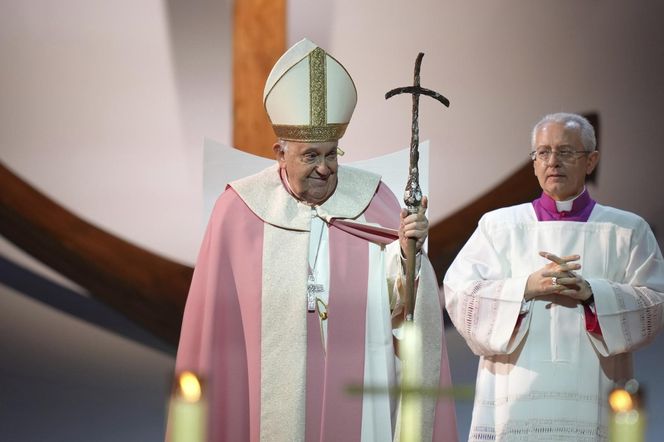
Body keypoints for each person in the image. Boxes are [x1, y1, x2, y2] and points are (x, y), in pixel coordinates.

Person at [171, 39, 456, 442]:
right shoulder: (238, 209)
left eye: (333, 154)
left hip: (355, 380)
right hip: (266, 389)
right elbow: (213, 326)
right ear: (279, 153)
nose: (325, 168)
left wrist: (409, 257)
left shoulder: (373, 199)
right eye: (310, 156)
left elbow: (402, 302)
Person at [443, 112, 664, 441]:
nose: (553, 162)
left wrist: (593, 295)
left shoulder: (626, 230)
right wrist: (525, 289)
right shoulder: (499, 226)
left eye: (566, 152)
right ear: (533, 163)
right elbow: (460, 294)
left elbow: (654, 302)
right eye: (543, 153)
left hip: (596, 393)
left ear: (591, 161)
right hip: (514, 400)